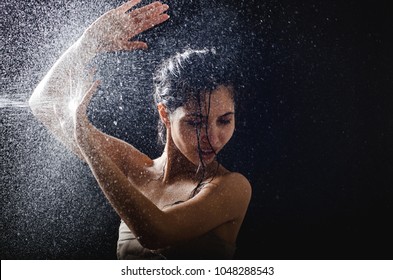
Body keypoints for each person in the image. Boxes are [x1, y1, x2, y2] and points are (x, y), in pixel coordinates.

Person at [29, 0, 251, 259]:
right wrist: (85, 45)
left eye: (224, 120)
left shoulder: (231, 187)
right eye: (196, 122)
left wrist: (90, 147)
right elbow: (42, 105)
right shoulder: (134, 169)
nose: (213, 138)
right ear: (165, 114)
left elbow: (156, 233)